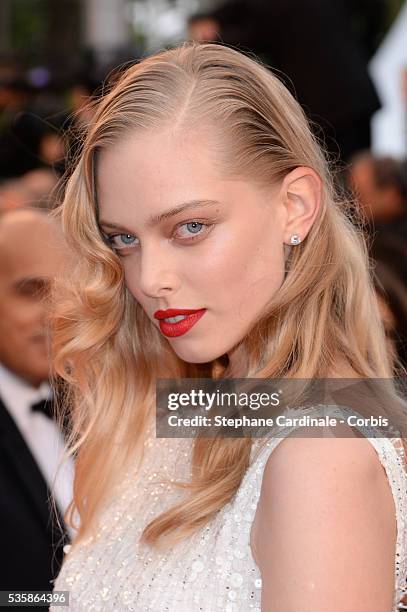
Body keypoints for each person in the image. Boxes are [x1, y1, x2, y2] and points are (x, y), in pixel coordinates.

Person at [50, 43, 406, 611]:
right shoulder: (196, 409)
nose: (150, 278)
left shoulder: (319, 457)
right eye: (124, 239)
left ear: (295, 205)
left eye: (190, 226)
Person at [0, 208, 74, 597]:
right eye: (32, 291)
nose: (55, 313)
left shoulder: (96, 396)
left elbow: (278, 411)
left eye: (67, 292)